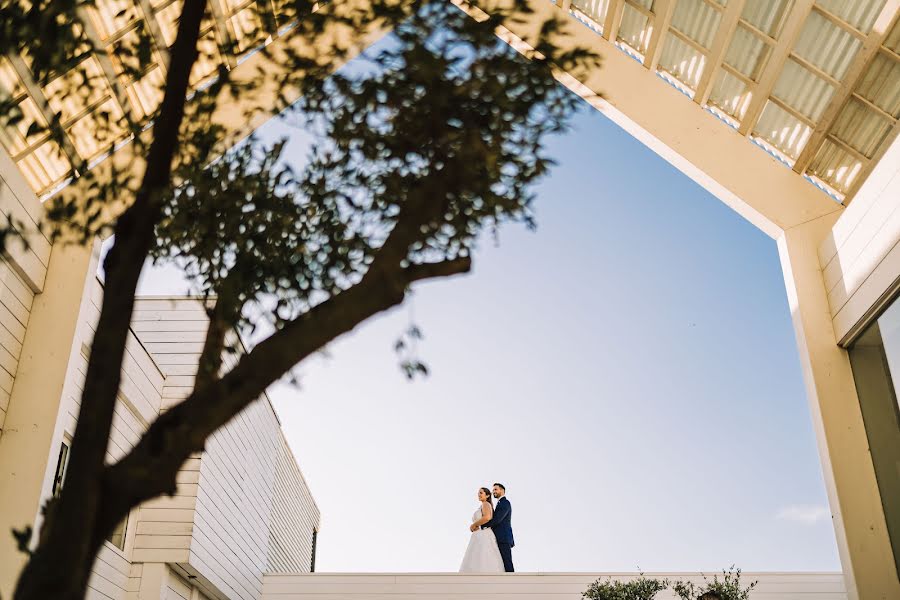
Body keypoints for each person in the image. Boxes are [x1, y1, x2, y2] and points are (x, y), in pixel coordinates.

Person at [459, 487, 505, 572]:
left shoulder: (485, 504)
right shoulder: (483, 505)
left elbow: (487, 517)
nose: (478, 494)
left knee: (483, 554)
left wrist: (474, 525)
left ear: (487, 495)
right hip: (479, 534)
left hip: (483, 534)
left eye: (481, 493)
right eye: (478, 493)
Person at [481, 482, 514, 572]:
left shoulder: (505, 503)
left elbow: (498, 519)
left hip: (504, 538)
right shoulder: (499, 503)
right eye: (493, 490)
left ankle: (512, 582)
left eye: (495, 489)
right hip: (498, 537)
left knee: (507, 562)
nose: (493, 491)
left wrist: (482, 526)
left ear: (502, 490)